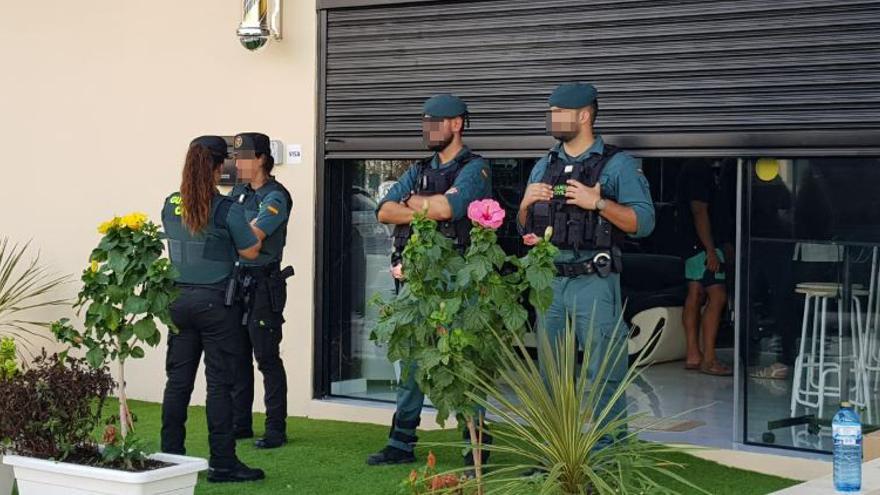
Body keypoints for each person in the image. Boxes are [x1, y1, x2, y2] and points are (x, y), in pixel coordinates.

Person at [518, 82, 655, 441]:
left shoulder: (617, 165)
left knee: (603, 371)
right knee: (550, 374)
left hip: (594, 281)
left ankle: (608, 457)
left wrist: (598, 203)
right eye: (551, 113)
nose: (552, 119)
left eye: (559, 113)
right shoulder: (543, 164)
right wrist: (525, 204)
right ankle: (554, 456)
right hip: (549, 282)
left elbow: (644, 223)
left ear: (584, 115)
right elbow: (523, 227)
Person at [366, 94, 492, 466]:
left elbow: (449, 208)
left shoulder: (476, 168)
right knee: (411, 365)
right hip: (416, 281)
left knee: (462, 363)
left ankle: (476, 449)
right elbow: (383, 210)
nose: (428, 129)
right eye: (425, 122)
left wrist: (411, 206)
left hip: (456, 281)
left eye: (435, 122)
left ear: (457, 124)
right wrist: (422, 208)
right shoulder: (419, 168)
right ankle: (401, 444)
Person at [160, 135, 266, 483]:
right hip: (217, 304)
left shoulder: (170, 204)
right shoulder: (226, 209)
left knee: (178, 383)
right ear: (219, 166)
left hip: (177, 302)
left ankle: (169, 459)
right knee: (219, 384)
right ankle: (222, 463)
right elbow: (250, 251)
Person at [229, 132, 294, 450]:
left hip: (264, 284)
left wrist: (233, 236)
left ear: (261, 160)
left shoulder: (275, 197)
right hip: (237, 281)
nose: (236, 163)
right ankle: (240, 424)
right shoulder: (239, 192)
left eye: (243, 157)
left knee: (266, 357)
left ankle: (275, 429)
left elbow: (251, 240)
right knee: (237, 355)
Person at [676, 159, 733, 376]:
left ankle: (693, 355)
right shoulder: (698, 168)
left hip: (692, 243)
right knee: (717, 296)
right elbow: (699, 210)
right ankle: (709, 359)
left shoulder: (694, 167)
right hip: (703, 244)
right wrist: (710, 249)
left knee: (695, 292)